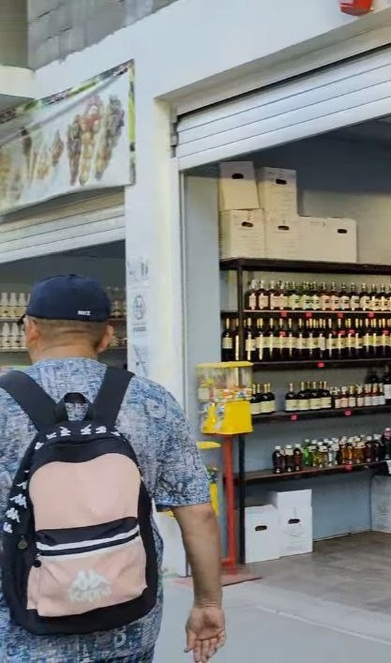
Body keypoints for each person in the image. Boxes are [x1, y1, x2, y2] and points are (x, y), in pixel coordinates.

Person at [0, 275, 226, 663]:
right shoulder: (152, 401)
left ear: (30, 329)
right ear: (107, 337)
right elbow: (198, 514)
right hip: (129, 617)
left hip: (23, 626)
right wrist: (208, 603)